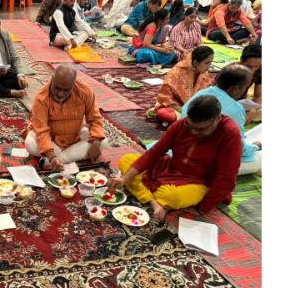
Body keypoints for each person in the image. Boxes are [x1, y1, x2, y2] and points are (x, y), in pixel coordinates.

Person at [108, 95, 243, 221]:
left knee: (172, 196)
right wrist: (124, 179)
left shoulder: (230, 133)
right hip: (169, 170)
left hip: (199, 182)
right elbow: (155, 152)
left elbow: (226, 177)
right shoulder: (181, 124)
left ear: (217, 119)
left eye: (200, 130)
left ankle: (148, 195)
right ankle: (154, 202)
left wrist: (202, 209)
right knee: (127, 160)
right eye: (190, 127)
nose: (193, 132)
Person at [181, 65, 261, 175]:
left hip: (183, 149)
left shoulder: (202, 93)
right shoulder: (235, 109)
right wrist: (255, 147)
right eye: (244, 87)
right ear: (235, 89)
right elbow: (237, 147)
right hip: (201, 159)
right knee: (257, 161)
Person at [24, 64, 107, 170]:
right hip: (51, 140)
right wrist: (51, 155)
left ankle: (53, 161)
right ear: (52, 79)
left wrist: (96, 143)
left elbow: (94, 118)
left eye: (66, 90)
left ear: (73, 84)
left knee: (103, 142)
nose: (60, 93)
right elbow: (41, 131)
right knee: (30, 144)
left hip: (75, 137)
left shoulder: (85, 91)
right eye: (57, 88)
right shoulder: (41, 98)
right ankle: (60, 158)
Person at [153, 46, 214, 125]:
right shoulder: (177, 72)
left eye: (210, 62)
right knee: (165, 114)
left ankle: (186, 120)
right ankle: (191, 120)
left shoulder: (204, 72)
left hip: (195, 108)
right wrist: (182, 110)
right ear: (196, 63)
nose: (209, 66)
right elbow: (165, 96)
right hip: (177, 107)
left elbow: (208, 93)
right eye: (207, 63)